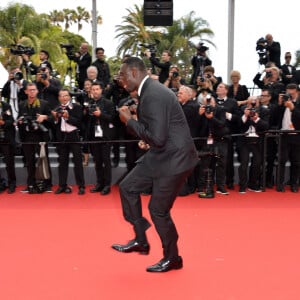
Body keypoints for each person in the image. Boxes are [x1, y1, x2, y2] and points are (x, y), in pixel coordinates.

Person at [111, 57, 198, 273]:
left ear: (133, 73)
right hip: (161, 154)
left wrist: (129, 121)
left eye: (122, 75)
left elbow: (158, 138)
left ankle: (173, 257)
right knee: (127, 187)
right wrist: (146, 137)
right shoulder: (150, 91)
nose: (120, 80)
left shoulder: (153, 94)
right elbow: (158, 134)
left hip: (174, 160)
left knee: (158, 210)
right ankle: (141, 239)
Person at [17, 82, 53, 193]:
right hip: (27, 137)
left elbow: (52, 118)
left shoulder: (44, 104)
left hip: (40, 136)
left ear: (37, 91)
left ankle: (47, 184)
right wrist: (19, 121)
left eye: (34, 89)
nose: (32, 91)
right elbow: (19, 119)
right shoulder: (22, 104)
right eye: (30, 90)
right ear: (26, 91)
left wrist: (45, 117)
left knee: (44, 160)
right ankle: (31, 184)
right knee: (29, 161)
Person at [52, 89, 85, 195]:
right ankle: (62, 185)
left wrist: (68, 117)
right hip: (61, 138)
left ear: (69, 97)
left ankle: (81, 186)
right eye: (61, 96)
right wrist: (55, 118)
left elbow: (80, 123)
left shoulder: (77, 107)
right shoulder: (56, 108)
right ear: (58, 97)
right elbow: (53, 125)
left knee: (78, 163)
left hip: (74, 137)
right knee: (62, 163)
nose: (64, 98)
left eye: (66, 95)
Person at [86, 81, 116, 195]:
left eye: (97, 89)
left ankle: (107, 185)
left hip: (105, 136)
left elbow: (112, 118)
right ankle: (99, 184)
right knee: (97, 161)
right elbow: (87, 121)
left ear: (101, 90)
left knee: (106, 161)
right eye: (93, 89)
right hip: (94, 136)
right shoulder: (89, 103)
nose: (95, 91)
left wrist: (100, 114)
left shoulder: (108, 103)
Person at [275, 83, 300, 193]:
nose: (289, 96)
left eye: (292, 94)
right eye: (288, 93)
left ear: (297, 92)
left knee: (296, 162)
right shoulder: (283, 103)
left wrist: (293, 108)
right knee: (281, 161)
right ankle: (280, 184)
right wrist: (280, 104)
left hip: (296, 136)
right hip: (284, 135)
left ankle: (294, 184)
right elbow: (274, 117)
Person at [0, 100, 17, 193]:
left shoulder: (6, 106)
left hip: (6, 139)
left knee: (9, 163)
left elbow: (11, 121)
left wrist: (3, 123)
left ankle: (12, 184)